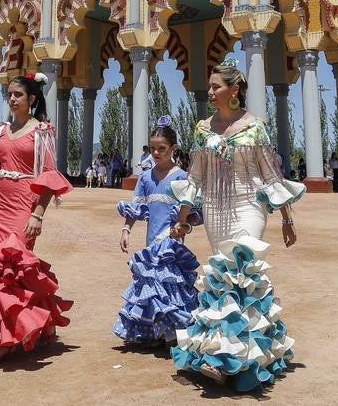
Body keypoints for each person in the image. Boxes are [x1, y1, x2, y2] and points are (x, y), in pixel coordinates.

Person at [169, 63, 306, 391]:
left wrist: (287, 219)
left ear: (234, 90)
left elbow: (271, 175)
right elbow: (195, 178)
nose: (211, 92)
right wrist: (183, 218)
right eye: (211, 87)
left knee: (242, 265)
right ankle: (224, 357)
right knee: (222, 280)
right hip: (216, 208)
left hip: (249, 205)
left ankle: (240, 358)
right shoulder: (202, 129)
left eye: (216, 86)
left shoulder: (255, 127)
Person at [0, 72, 73, 365]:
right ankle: (15, 331)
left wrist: (38, 214)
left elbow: (48, 177)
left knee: (15, 268)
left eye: (18, 94)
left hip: (23, 205)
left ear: (32, 99)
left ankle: (11, 337)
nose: (12, 98)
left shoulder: (42, 132)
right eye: (9, 94)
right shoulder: (2, 130)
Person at [114, 118, 200, 348]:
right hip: (151, 241)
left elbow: (191, 211)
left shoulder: (182, 177)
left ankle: (174, 332)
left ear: (172, 148)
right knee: (151, 285)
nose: (156, 153)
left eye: (161, 149)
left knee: (170, 284)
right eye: (152, 148)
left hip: (172, 241)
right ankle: (153, 331)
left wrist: (185, 226)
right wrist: (126, 229)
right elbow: (136, 207)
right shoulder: (145, 178)